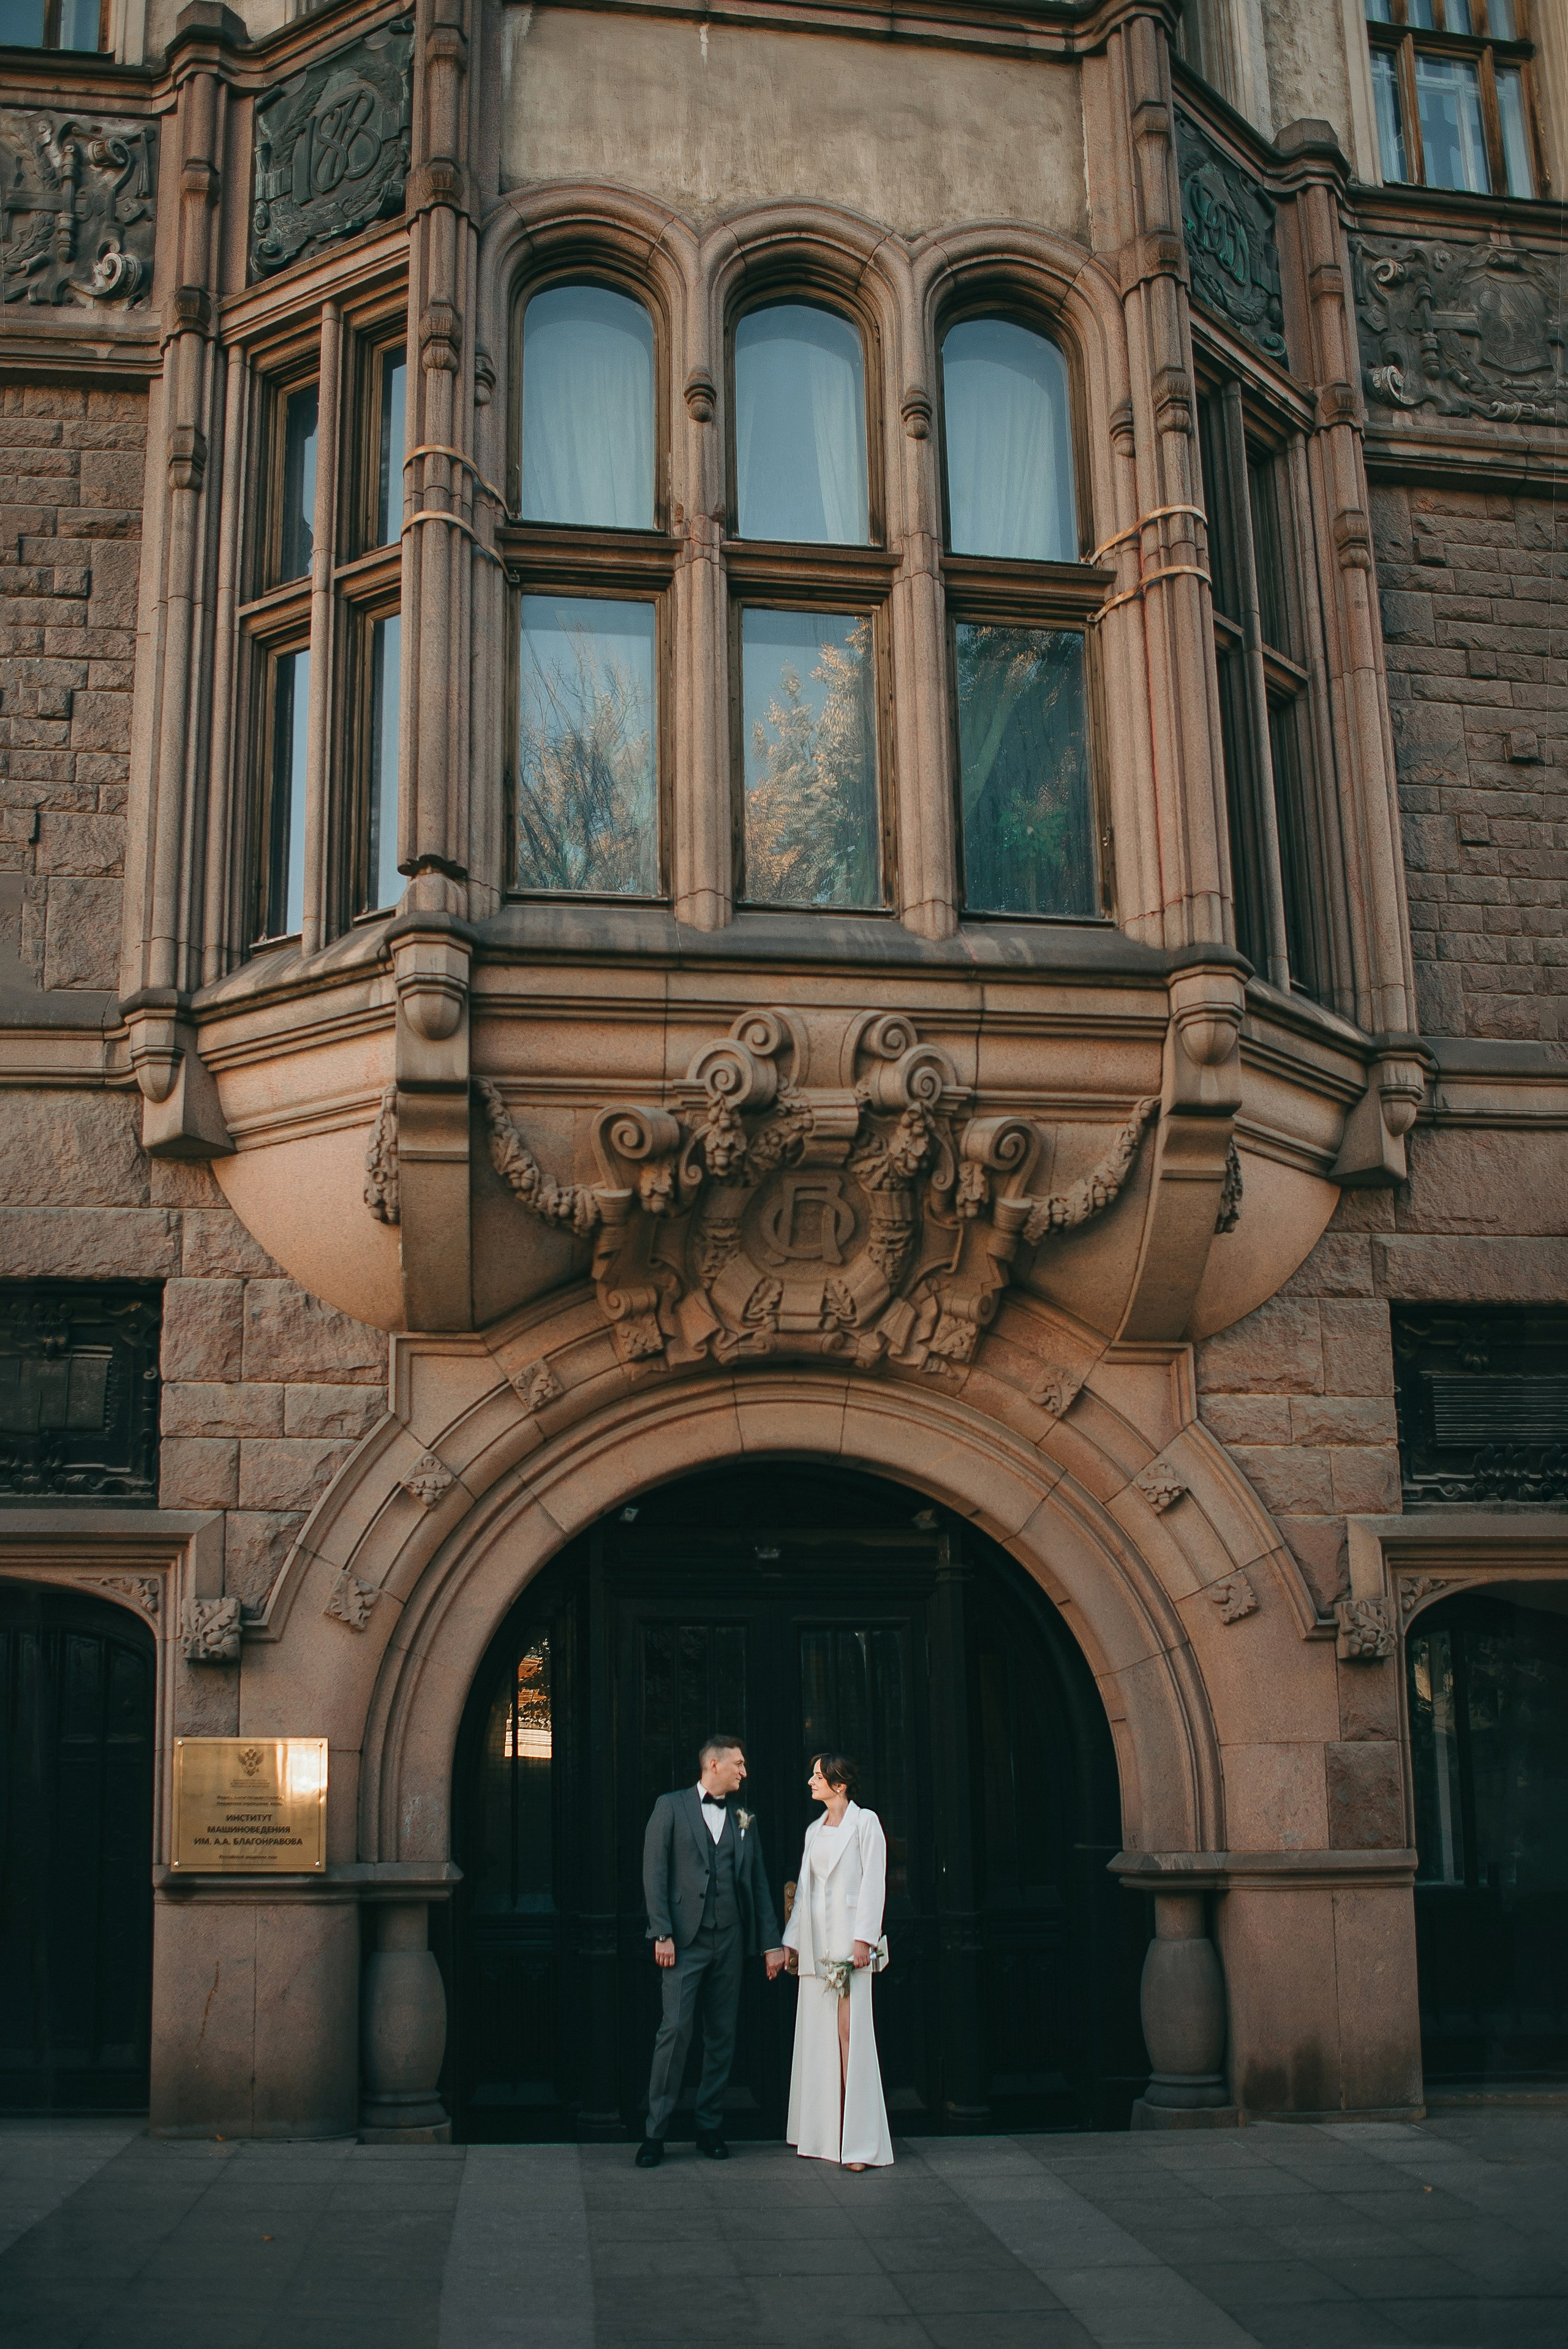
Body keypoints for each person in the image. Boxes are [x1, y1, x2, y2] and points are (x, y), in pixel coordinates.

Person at [636, 1730, 786, 2167]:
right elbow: (654, 1872)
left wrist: (770, 1944)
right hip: (683, 1942)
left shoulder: (744, 1816)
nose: (745, 1770)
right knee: (675, 2032)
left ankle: (709, 2125)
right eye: (739, 1763)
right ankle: (655, 2132)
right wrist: (661, 1932)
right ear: (714, 1765)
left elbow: (756, 1882)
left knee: (722, 2035)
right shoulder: (670, 1806)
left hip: (731, 1940)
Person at [782, 1751, 894, 2170]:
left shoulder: (866, 1824)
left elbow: (873, 1883)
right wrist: (792, 1943)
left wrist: (864, 1937)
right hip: (817, 1947)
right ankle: (824, 2134)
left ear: (839, 1784)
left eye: (818, 1776)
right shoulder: (814, 1830)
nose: (811, 1781)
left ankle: (858, 2141)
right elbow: (806, 1890)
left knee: (851, 2034)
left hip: (849, 1947)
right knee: (819, 2037)